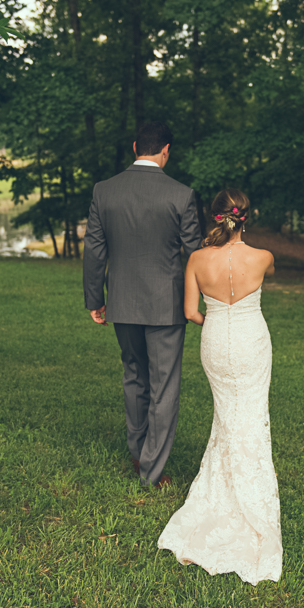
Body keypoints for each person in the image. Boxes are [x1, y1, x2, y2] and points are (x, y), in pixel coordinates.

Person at [157, 188, 282, 586]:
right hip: (252, 341)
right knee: (250, 418)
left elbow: (191, 312)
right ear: (247, 216)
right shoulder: (263, 258)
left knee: (227, 419)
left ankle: (220, 498)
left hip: (215, 341)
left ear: (214, 218)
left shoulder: (196, 259)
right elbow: (267, 277)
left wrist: (215, 319)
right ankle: (249, 502)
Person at [83, 121, 202, 489]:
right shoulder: (181, 194)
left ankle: (139, 453)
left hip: (122, 301)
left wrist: (95, 299)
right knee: (164, 385)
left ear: (136, 147)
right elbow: (196, 254)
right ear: (166, 150)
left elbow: (93, 250)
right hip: (167, 305)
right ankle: (151, 470)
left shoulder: (105, 191)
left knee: (134, 375)